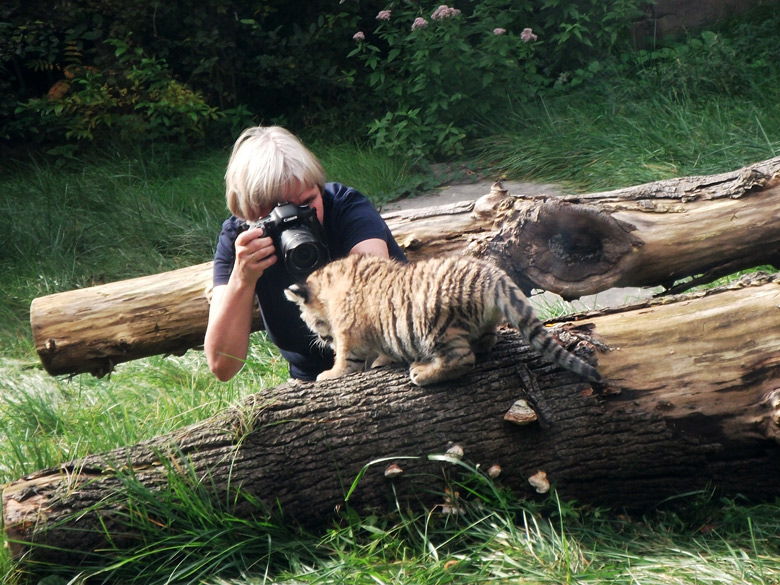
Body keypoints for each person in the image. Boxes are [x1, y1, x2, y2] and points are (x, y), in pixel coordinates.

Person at [205, 126, 406, 382]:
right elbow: (223, 366)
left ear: (319, 189)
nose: (296, 218)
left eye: (307, 202)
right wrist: (242, 279)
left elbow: (380, 307)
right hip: (308, 383)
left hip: (387, 367)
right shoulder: (241, 240)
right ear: (248, 215)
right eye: (277, 211)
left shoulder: (345, 208)